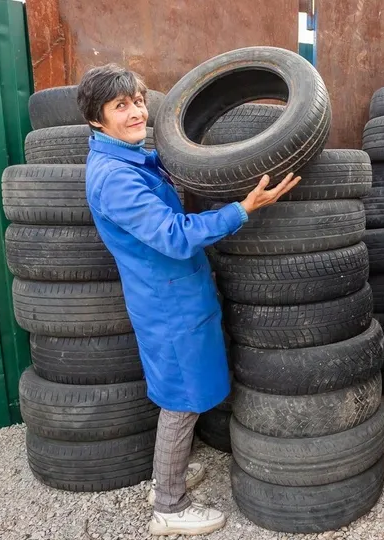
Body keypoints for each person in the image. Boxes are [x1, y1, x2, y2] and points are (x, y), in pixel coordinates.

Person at [77, 64, 300, 536]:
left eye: (138, 100)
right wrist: (242, 209)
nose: (137, 112)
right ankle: (169, 506)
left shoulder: (133, 157)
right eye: (121, 106)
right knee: (182, 401)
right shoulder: (115, 178)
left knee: (183, 396)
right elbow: (175, 237)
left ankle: (167, 476)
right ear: (97, 120)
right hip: (168, 306)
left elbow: (176, 165)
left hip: (180, 294)